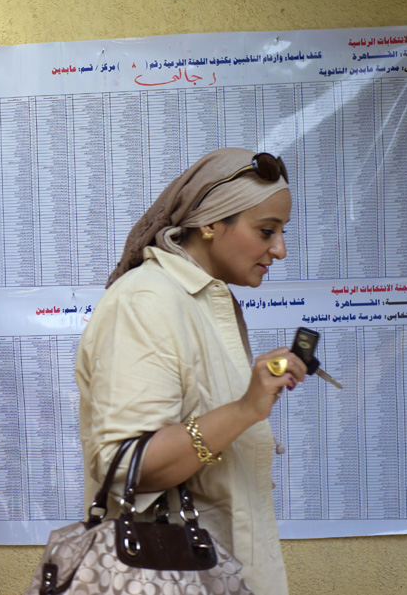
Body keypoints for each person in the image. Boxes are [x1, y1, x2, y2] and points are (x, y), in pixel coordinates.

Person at [75, 147, 307, 595]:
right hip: (171, 576)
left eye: (281, 231)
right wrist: (244, 410)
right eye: (266, 231)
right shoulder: (147, 302)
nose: (279, 249)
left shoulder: (201, 299)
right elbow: (125, 464)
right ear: (211, 223)